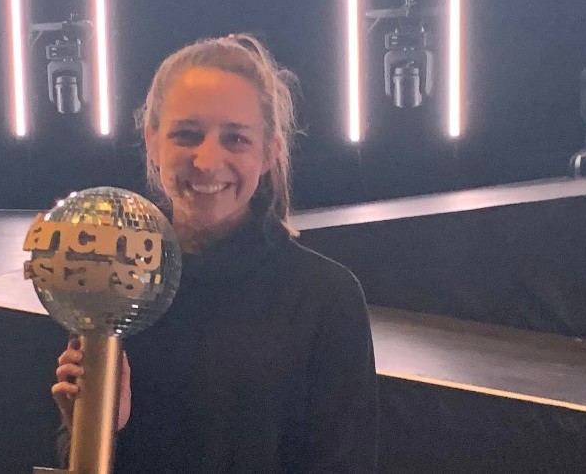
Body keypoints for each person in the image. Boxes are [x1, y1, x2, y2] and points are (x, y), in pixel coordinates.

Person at [51, 33, 379, 473]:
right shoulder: (115, 280)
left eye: (236, 138)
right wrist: (92, 431)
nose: (207, 161)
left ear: (269, 152)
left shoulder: (326, 297)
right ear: (152, 142)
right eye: (186, 135)